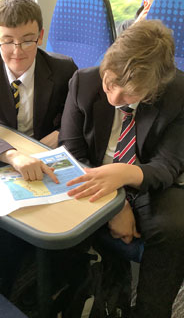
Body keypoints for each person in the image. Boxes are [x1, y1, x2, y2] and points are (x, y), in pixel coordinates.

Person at [59, 20, 184, 318]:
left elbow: (167, 166)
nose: (114, 99)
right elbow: (70, 153)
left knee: (174, 227)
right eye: (110, 83)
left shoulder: (178, 94)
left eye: (130, 95)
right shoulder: (83, 82)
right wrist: (114, 207)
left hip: (145, 176)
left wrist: (125, 177)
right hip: (93, 172)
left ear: (154, 89)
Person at [0, 0, 78, 182]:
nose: (17, 51)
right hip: (8, 151)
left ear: (40, 36)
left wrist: (59, 134)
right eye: (8, 41)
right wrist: (13, 155)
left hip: (48, 152)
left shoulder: (63, 69)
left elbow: (78, 116)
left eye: (27, 41)